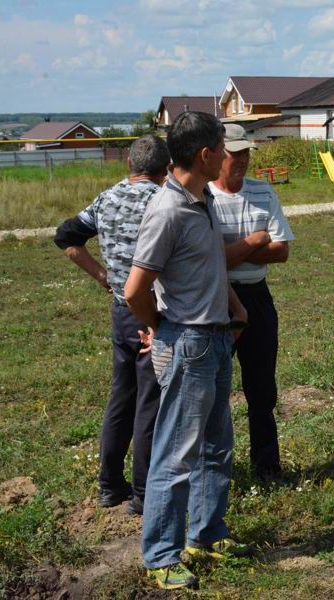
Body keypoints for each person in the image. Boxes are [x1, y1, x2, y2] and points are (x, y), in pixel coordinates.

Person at [125, 111, 251, 591]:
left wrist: (235, 308)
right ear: (205, 155)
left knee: (217, 447)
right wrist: (165, 328)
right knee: (176, 454)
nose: (227, 154)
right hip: (191, 343)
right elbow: (137, 289)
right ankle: (160, 555)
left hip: (217, 338)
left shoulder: (202, 200)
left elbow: (210, 266)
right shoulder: (168, 210)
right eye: (222, 147)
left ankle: (207, 534)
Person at [53, 135, 169, 516]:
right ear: (165, 169)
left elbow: (67, 239)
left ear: (129, 166)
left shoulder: (107, 197)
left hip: (120, 309)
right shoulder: (161, 201)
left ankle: (109, 485)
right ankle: (142, 493)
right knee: (149, 403)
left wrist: (102, 275)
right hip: (152, 311)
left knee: (122, 396)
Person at [209, 124, 294, 482]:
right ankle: (215, 469)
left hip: (257, 297)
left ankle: (266, 465)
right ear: (216, 154)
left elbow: (282, 251)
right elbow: (208, 263)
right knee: (213, 388)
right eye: (234, 153)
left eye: (246, 152)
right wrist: (255, 241)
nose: (242, 160)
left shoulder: (264, 191)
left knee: (262, 387)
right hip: (216, 301)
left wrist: (230, 252)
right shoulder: (203, 197)